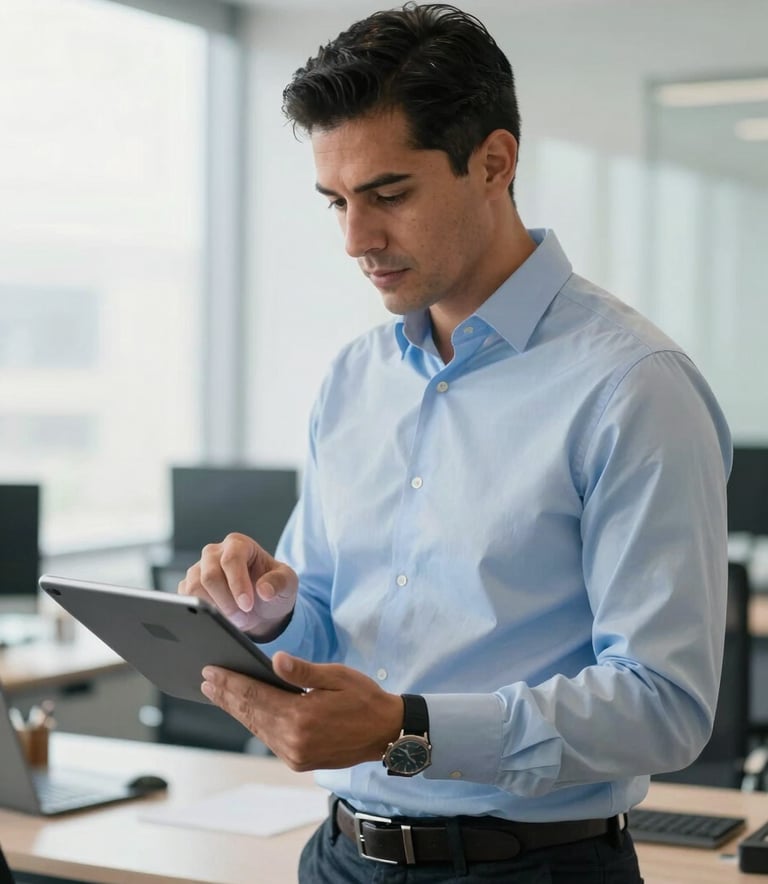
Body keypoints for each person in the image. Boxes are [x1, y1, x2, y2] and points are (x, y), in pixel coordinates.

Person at [179, 4, 732, 881]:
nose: (357, 240)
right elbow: (330, 623)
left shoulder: (634, 385)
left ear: (494, 163)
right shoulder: (353, 380)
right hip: (339, 854)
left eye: (389, 195)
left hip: (532, 868)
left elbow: (663, 706)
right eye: (337, 203)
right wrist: (270, 611)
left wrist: (409, 731)